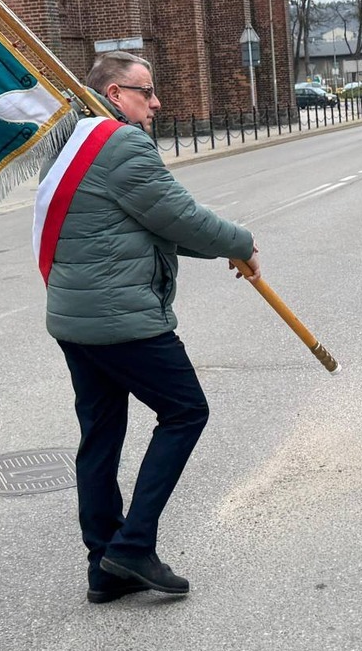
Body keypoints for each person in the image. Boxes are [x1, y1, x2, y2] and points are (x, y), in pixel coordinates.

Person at [37, 52, 257, 601]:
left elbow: (152, 227)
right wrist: (242, 242)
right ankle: (133, 547)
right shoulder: (122, 145)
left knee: (101, 433)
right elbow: (180, 216)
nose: (156, 103)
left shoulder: (69, 147)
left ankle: (104, 567)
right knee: (186, 411)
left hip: (76, 319)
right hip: (122, 318)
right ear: (114, 94)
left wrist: (223, 252)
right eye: (145, 91)